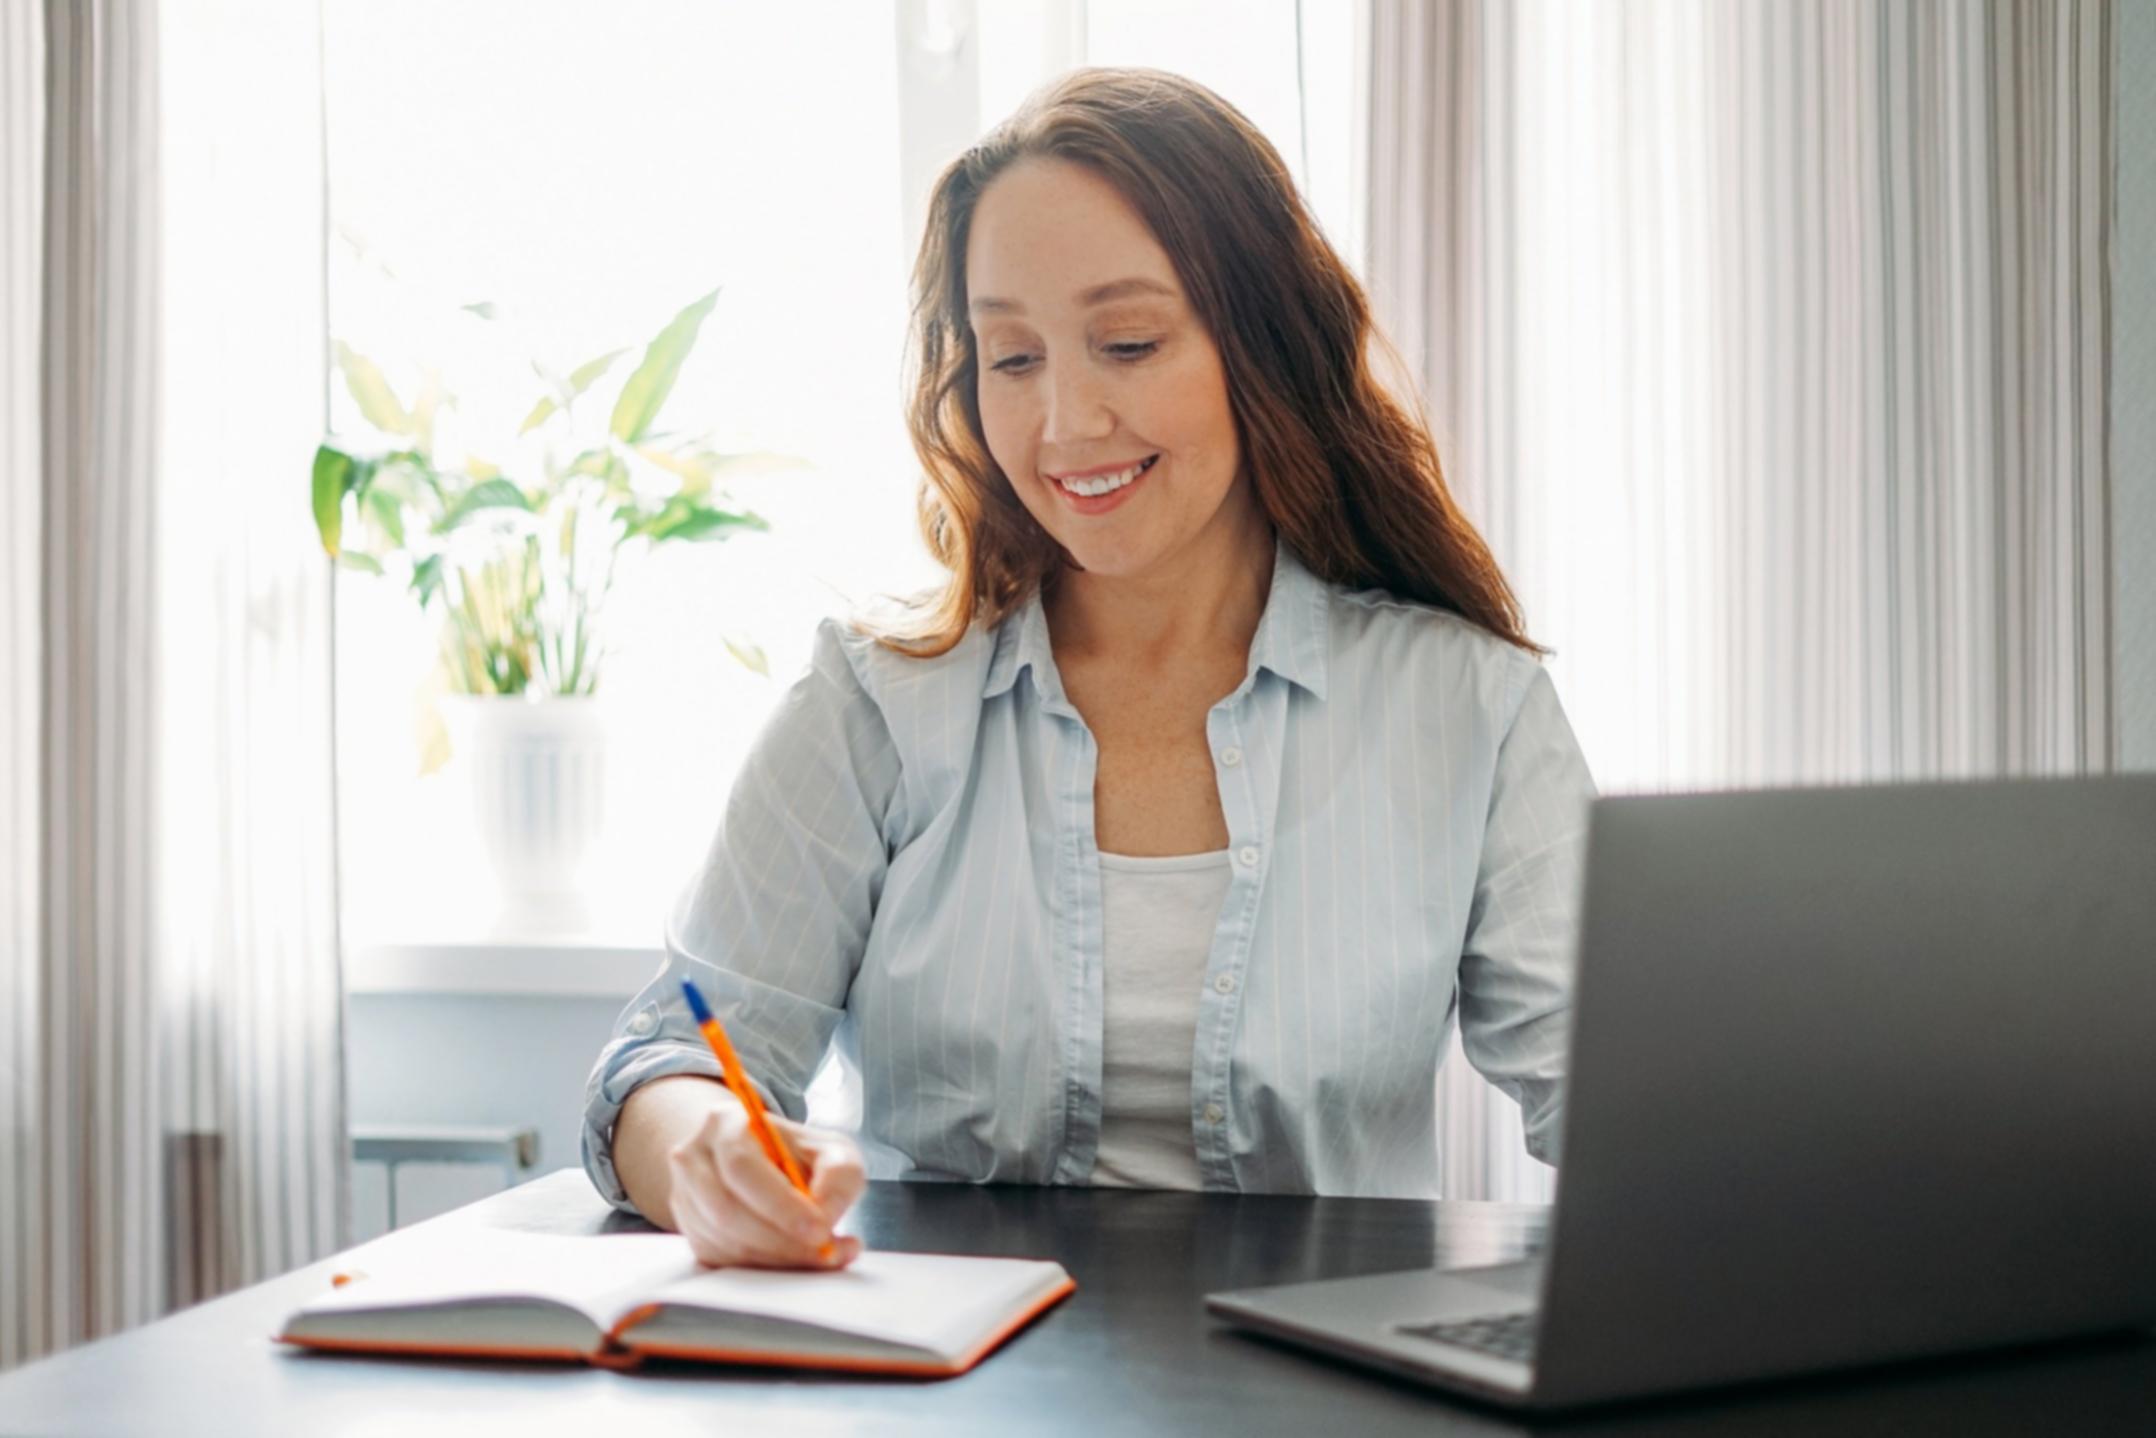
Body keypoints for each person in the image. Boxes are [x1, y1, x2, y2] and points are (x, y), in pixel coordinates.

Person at [582, 67, 1597, 1271]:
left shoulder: (1466, 707)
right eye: (1010, 359)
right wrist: (706, 1151)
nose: (1063, 424)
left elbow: (1628, 1103)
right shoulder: (873, 703)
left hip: (1325, 1384)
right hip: (949, 1382)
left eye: (1124, 342)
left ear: (1259, 341)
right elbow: (669, 1059)